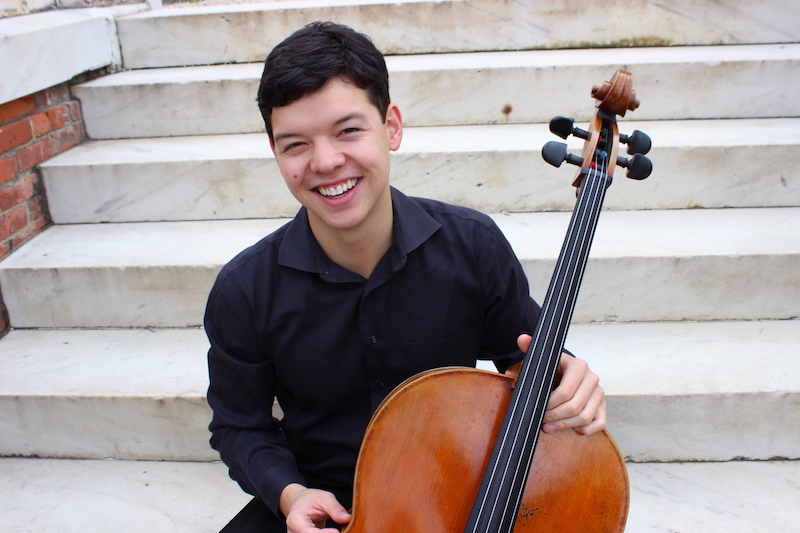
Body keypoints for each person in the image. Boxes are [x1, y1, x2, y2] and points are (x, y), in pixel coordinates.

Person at [205, 21, 607, 533]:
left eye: (348, 131)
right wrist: (291, 495)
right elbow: (240, 425)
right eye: (295, 145)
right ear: (276, 152)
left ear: (391, 126)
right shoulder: (245, 291)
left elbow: (524, 358)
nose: (326, 162)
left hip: (451, 497)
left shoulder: (473, 247)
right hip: (327, 504)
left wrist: (568, 378)